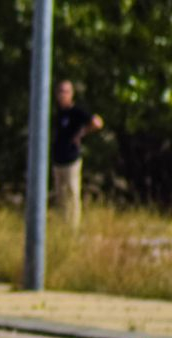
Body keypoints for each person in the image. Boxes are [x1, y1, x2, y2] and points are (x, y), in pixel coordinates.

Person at [52, 80, 103, 229]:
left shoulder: (77, 112)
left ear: (71, 94)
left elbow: (97, 122)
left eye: (66, 91)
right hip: (58, 159)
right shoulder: (57, 113)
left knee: (72, 192)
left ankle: (73, 227)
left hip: (71, 159)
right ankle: (62, 224)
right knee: (60, 194)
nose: (62, 95)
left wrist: (82, 133)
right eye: (60, 91)